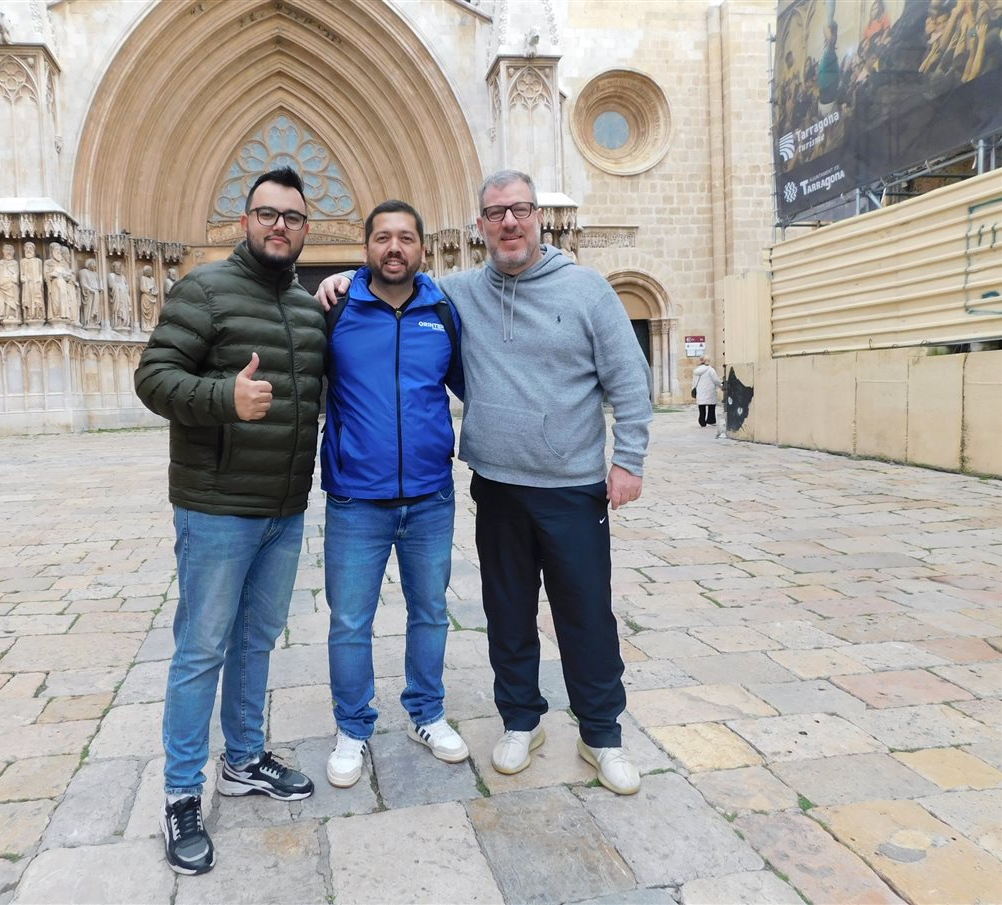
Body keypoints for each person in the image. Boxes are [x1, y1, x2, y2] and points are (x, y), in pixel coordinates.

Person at [317, 170, 651, 796]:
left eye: (520, 210)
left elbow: (630, 383)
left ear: (538, 217)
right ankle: (522, 721)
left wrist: (627, 461)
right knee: (507, 614)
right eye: (495, 213)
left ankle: (602, 734)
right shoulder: (455, 295)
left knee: (584, 614)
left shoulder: (587, 291)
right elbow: (394, 286)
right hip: (494, 485)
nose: (509, 223)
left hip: (573, 487)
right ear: (478, 227)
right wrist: (339, 280)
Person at [134, 167, 325, 876]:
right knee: (201, 649)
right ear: (244, 221)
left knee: (256, 639)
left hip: (284, 509)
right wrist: (223, 397)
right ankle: (183, 791)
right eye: (267, 213)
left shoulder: (308, 309)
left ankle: (243, 757)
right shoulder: (204, 290)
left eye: (294, 217)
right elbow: (153, 377)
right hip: (216, 508)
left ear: (308, 229)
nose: (280, 225)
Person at [322, 200, 468, 789]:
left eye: (406, 237)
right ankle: (353, 727)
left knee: (430, 611)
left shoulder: (443, 310)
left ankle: (426, 715)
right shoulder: (334, 311)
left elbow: (470, 383)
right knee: (350, 621)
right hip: (357, 499)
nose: (394, 248)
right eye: (382, 237)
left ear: (422, 250)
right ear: (365, 250)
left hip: (431, 498)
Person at [691, 357, 722, 427]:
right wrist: (721, 386)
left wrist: (693, 388)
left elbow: (694, 382)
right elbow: (716, 380)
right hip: (709, 390)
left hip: (700, 390)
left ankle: (702, 420)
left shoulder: (696, 371)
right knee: (712, 405)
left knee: (701, 406)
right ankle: (711, 420)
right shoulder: (711, 370)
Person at [0, 243, 21, 325]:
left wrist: (11, 279)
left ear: (13, 252)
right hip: (2, 286)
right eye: (6, 250)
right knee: (2, 302)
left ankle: (12, 315)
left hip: (11, 285)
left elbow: (16, 275)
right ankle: (3, 316)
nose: (8, 252)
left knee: (12, 301)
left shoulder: (14, 263)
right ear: (3, 251)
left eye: (10, 250)